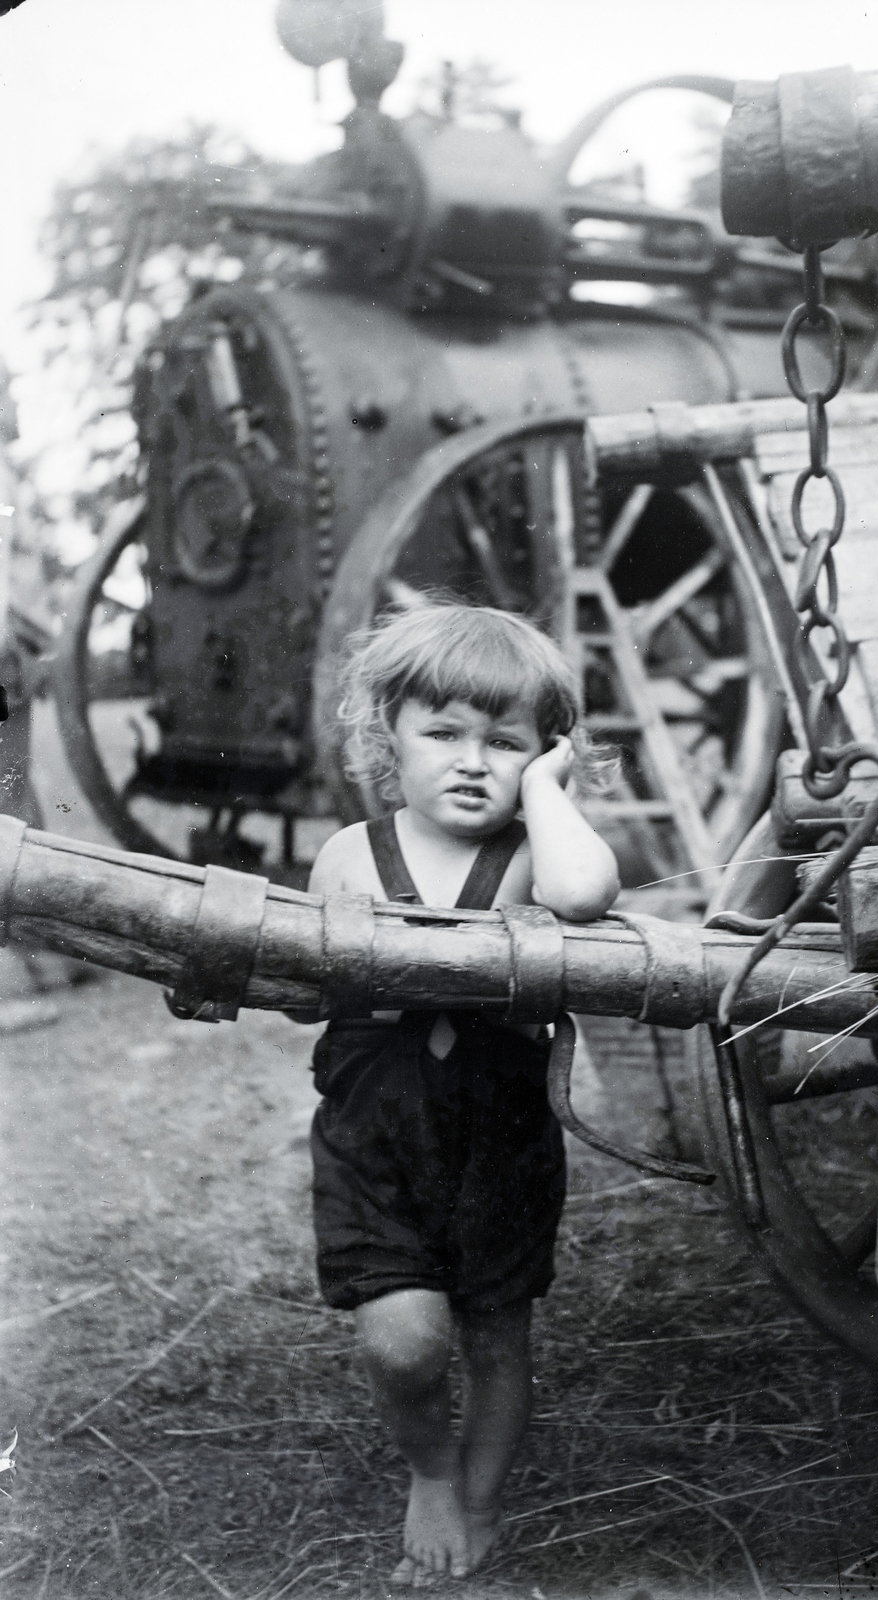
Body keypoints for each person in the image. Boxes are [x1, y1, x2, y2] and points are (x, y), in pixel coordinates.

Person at [303, 601, 619, 1585]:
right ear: (387, 731)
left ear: (541, 752)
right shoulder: (351, 856)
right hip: (377, 1142)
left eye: (506, 742)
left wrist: (550, 792)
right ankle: (429, 1467)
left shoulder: (528, 856)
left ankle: (476, 1497)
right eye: (443, 732)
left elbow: (584, 896)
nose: (473, 759)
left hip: (501, 1144)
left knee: (494, 1335)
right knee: (403, 1342)